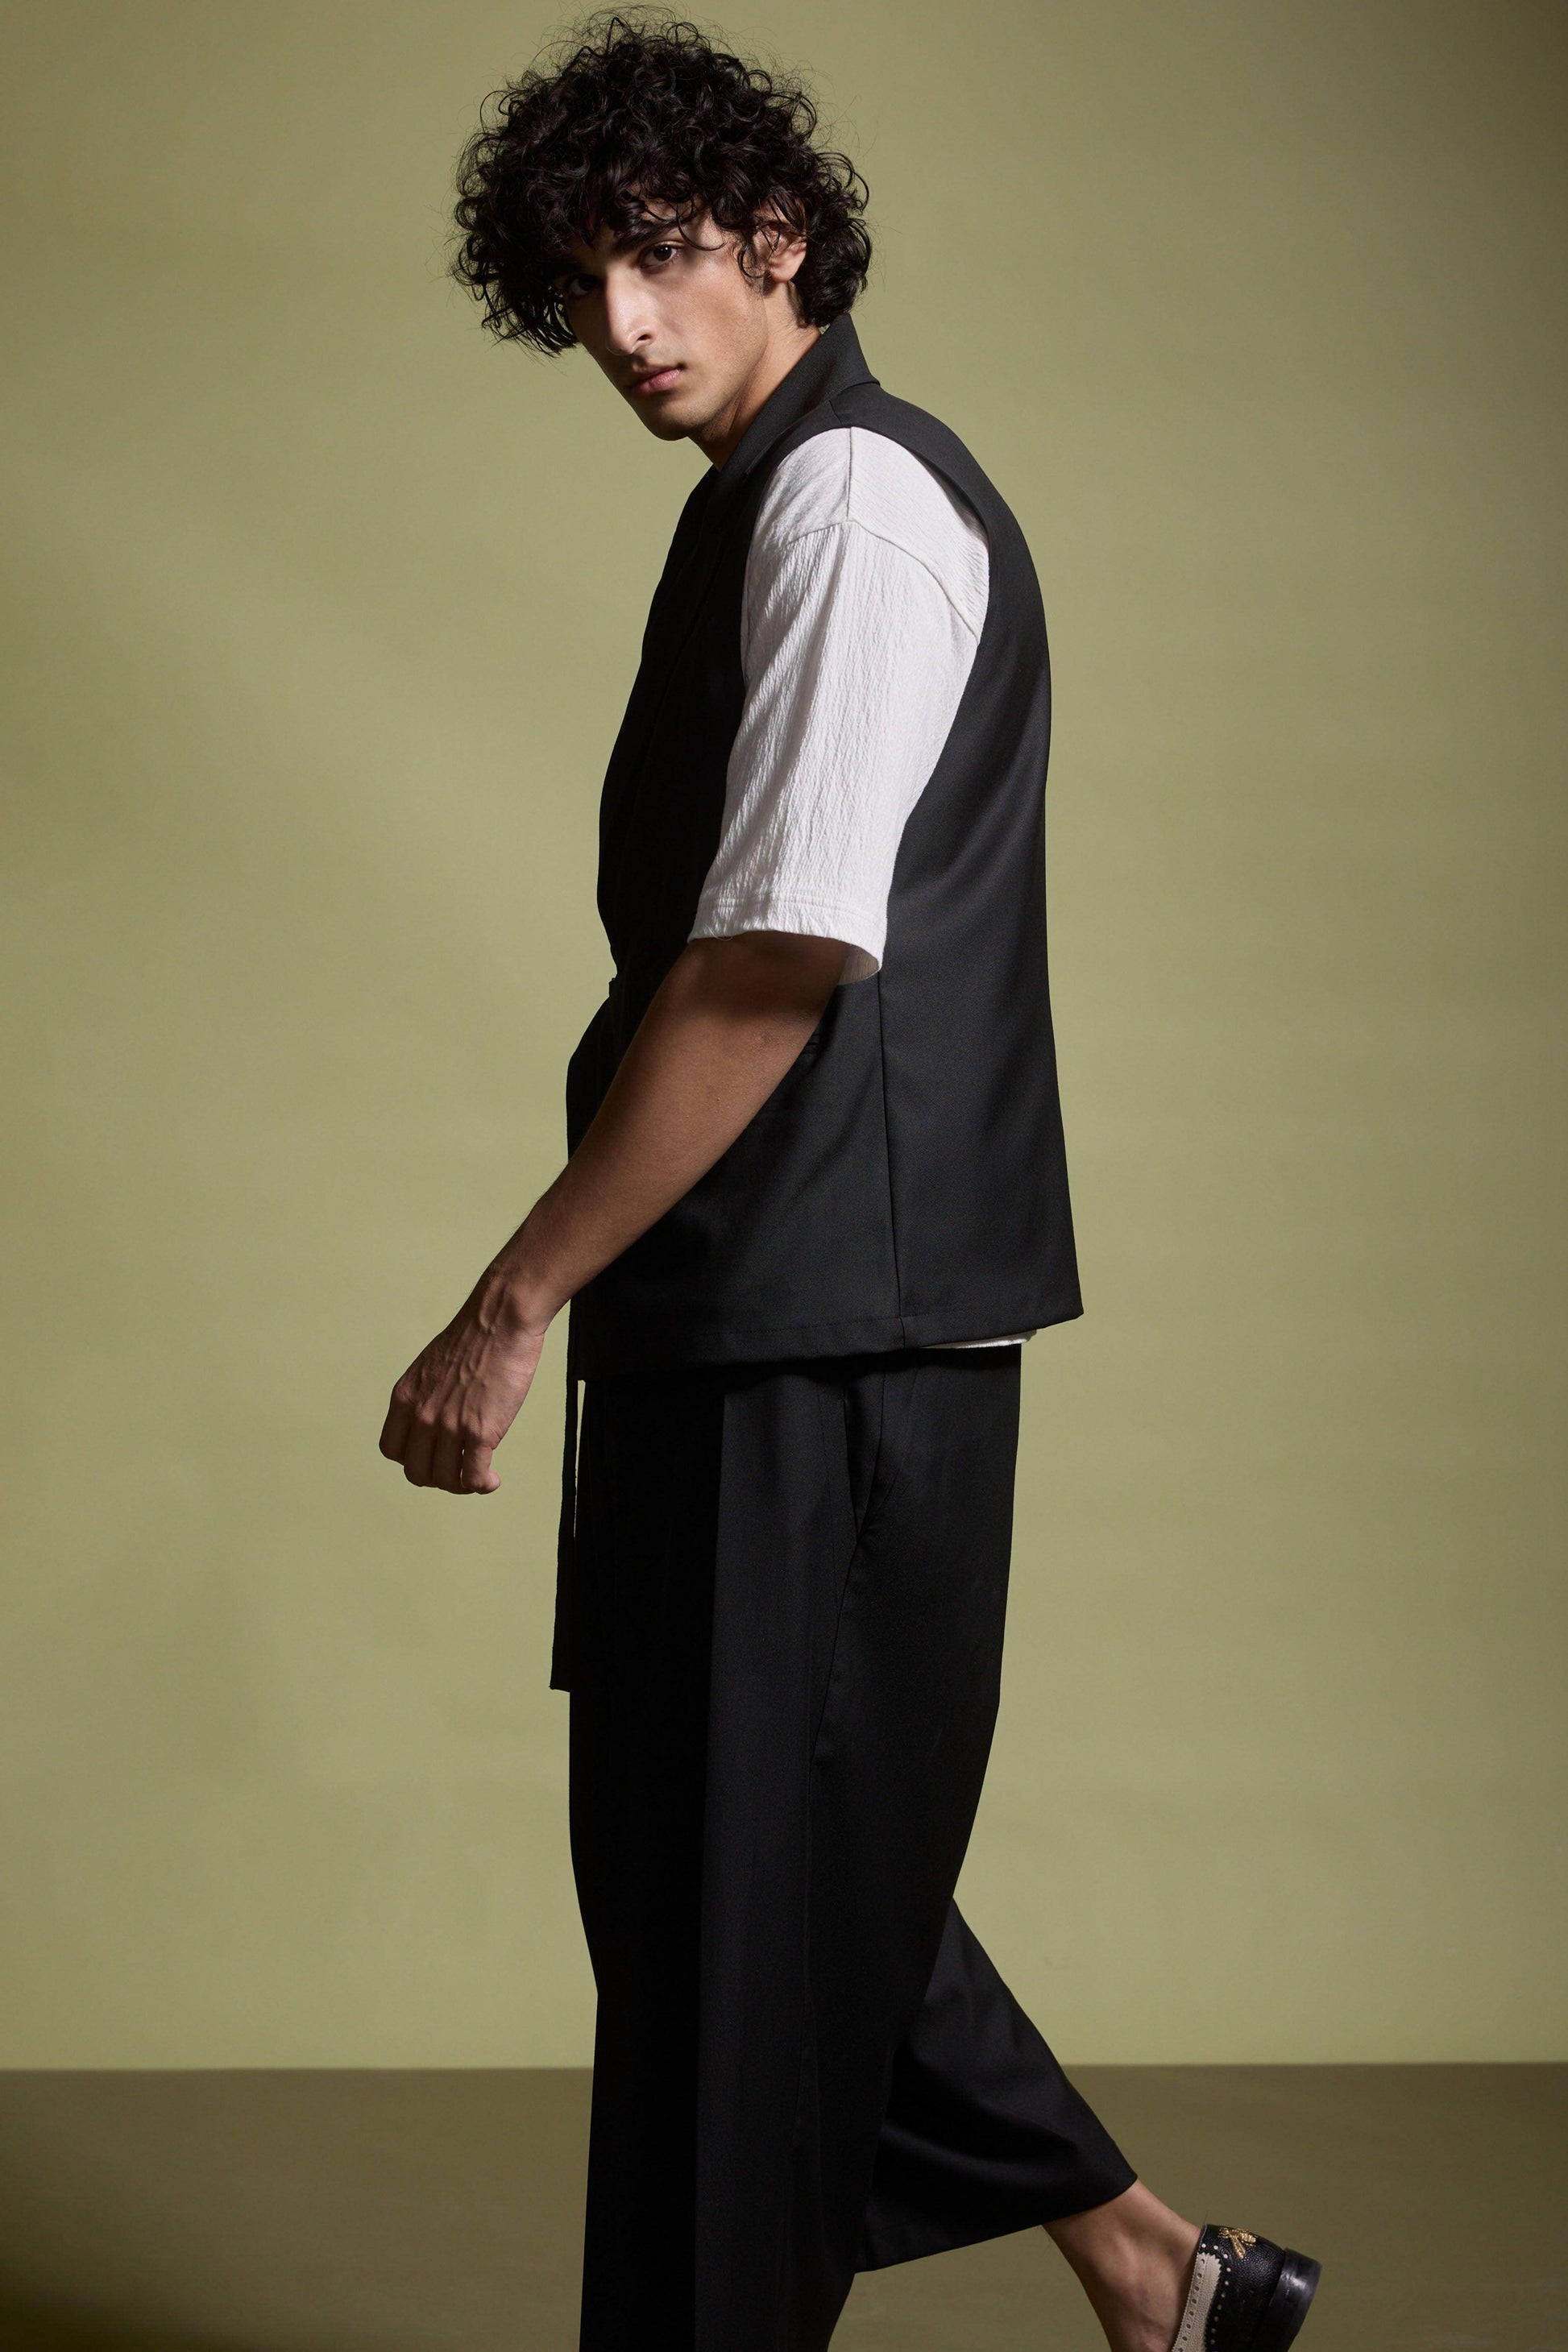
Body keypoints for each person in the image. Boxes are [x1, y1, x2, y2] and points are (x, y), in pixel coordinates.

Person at [377, 14, 1321, 2350]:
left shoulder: (852, 503)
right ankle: (1157, 2274)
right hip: (751, 1311)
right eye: (584, 283)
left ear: (781, 237)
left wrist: (510, 1299)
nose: (623, 322)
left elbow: (780, 956)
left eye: (664, 256)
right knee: (730, 1872)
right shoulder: (767, 499)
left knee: (742, 1929)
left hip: (835, 1333)